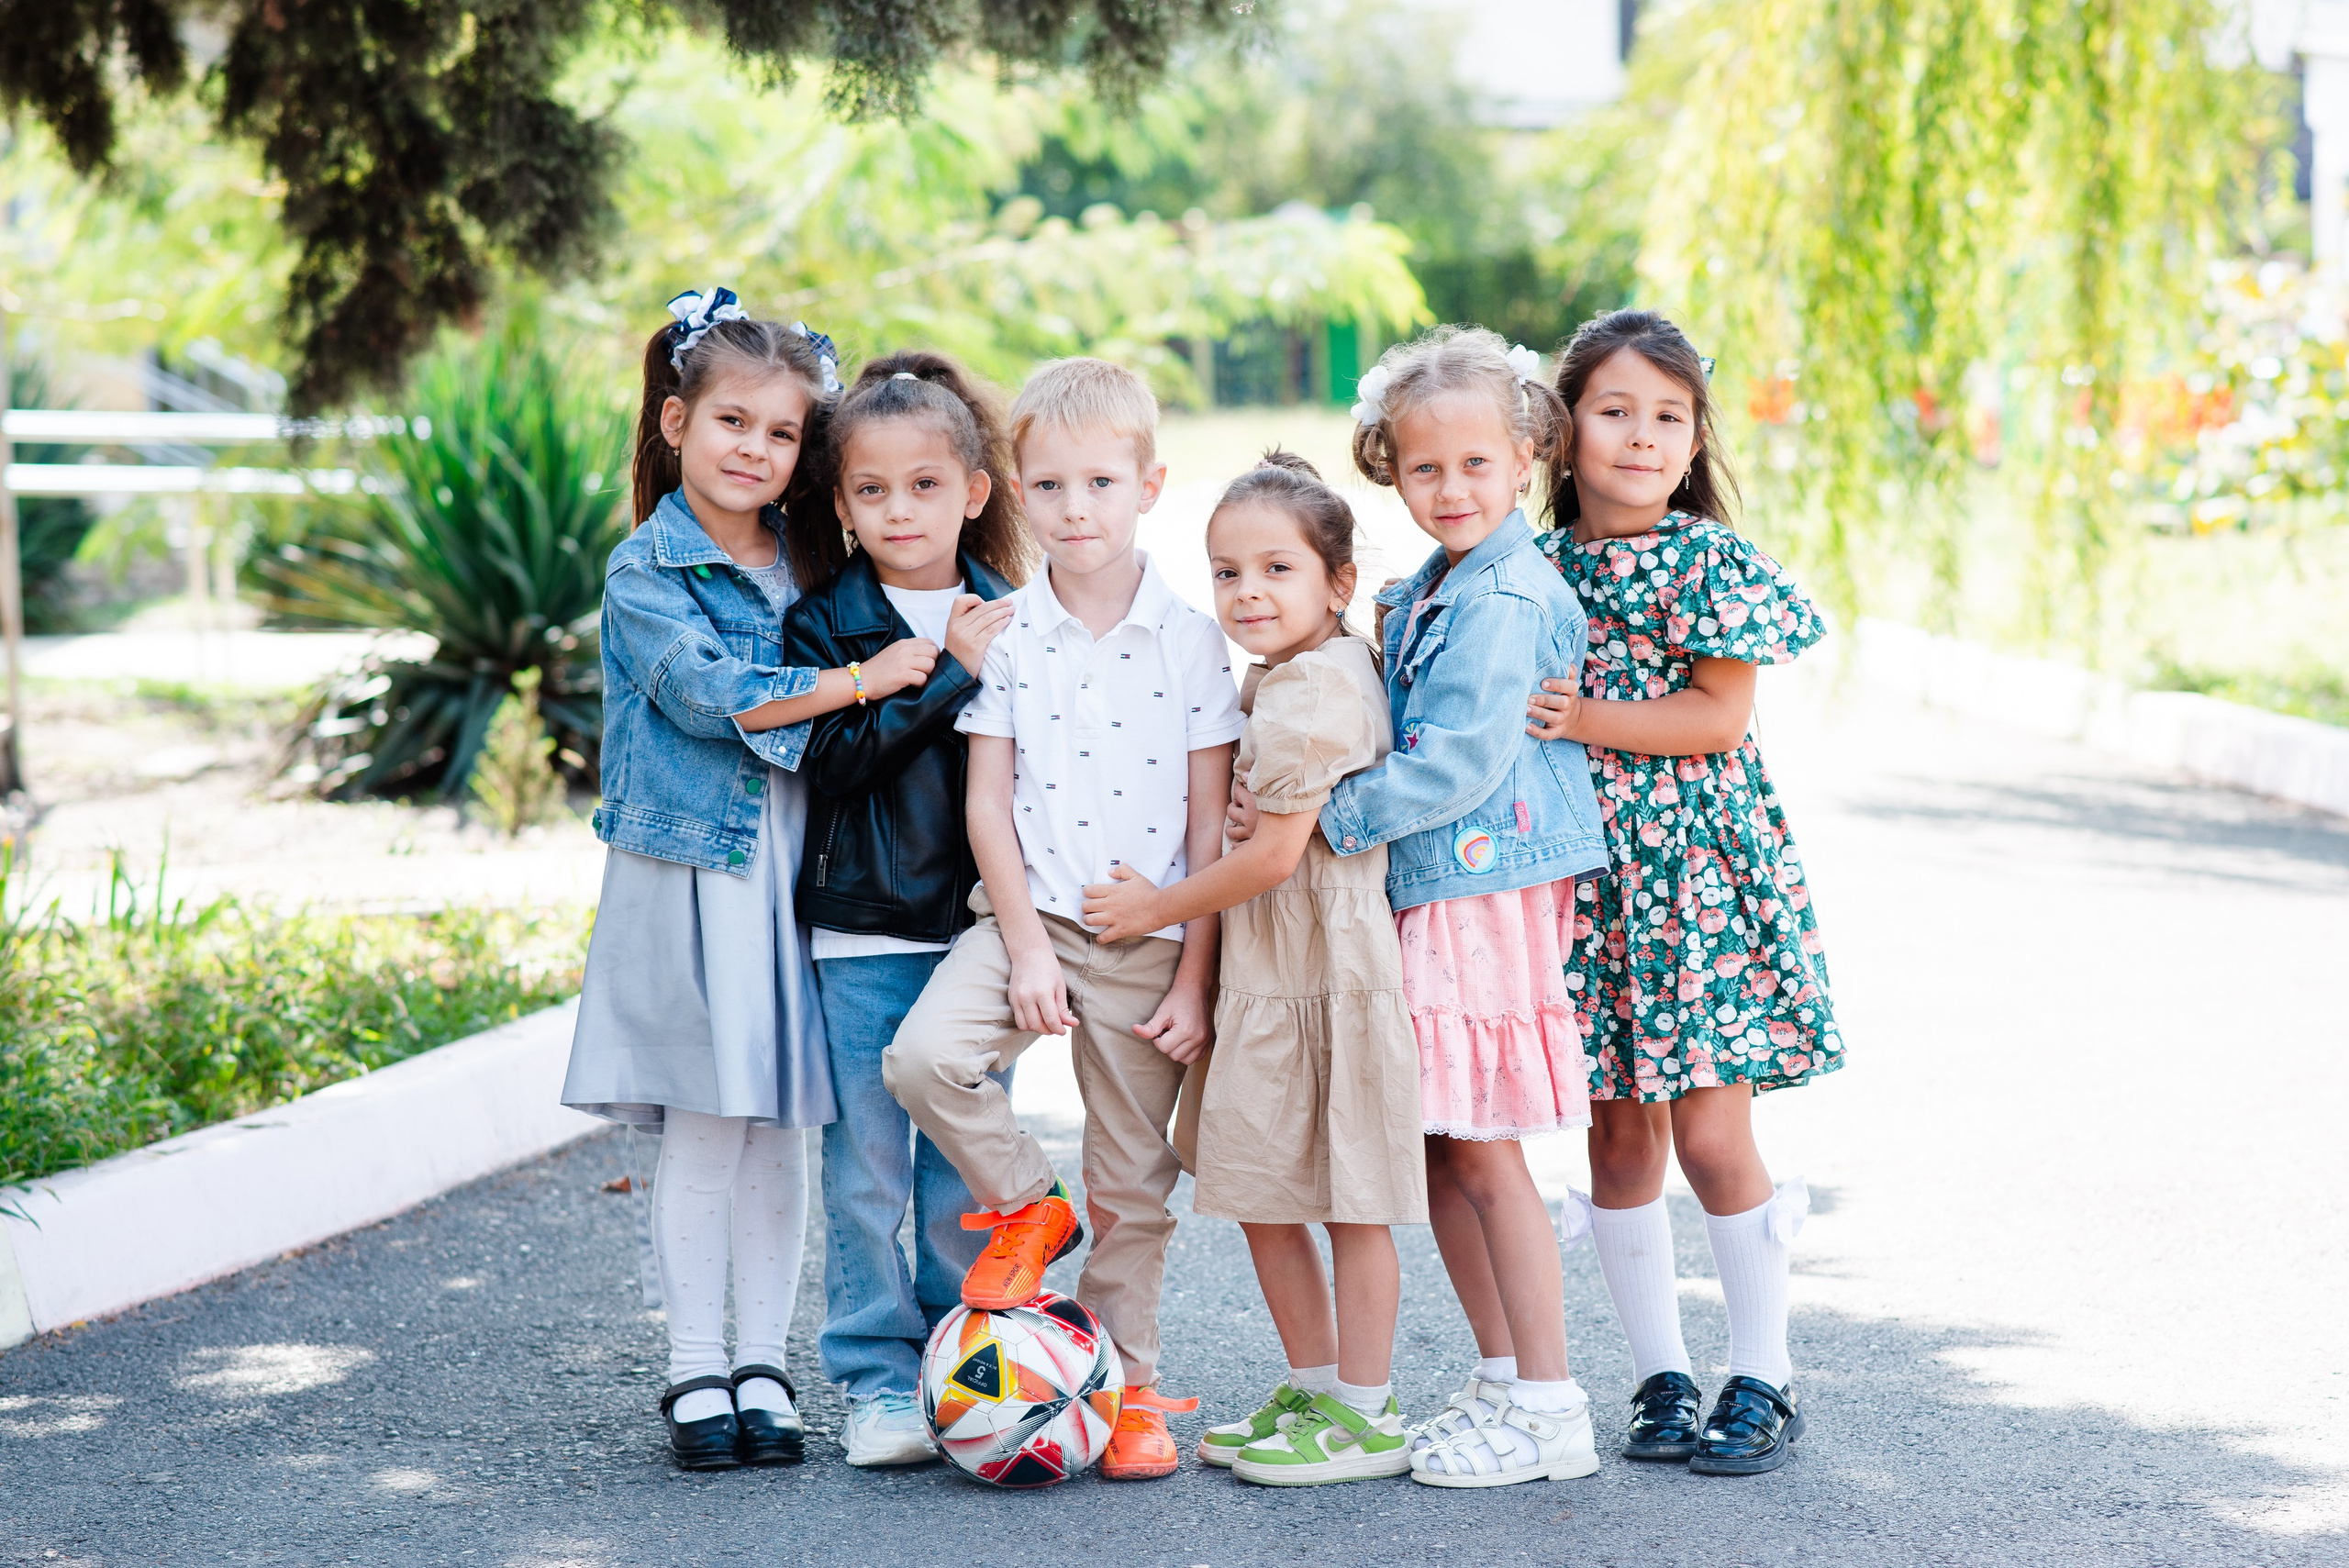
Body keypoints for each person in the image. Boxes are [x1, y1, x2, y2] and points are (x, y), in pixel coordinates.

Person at [560, 289, 936, 1472]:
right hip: (698, 868)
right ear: (675, 421)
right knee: (711, 1122)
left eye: (781, 434)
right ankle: (693, 1364)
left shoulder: (812, 560)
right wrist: (865, 681)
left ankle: (765, 1363)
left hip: (799, 865)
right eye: (731, 422)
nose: (754, 450)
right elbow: (714, 697)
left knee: (784, 1123)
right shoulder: (646, 569)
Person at [880, 356, 1244, 1481]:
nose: (1073, 509)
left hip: (1149, 937)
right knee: (925, 1058)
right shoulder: (1005, 634)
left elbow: (1210, 829)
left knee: (1133, 1183)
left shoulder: (1190, 638)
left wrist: (1191, 979)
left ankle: (1129, 1385)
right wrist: (1028, 947)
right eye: (1049, 487)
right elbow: (986, 804)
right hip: (1024, 914)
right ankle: (1027, 1203)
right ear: (1015, 490)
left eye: (1098, 483)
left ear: (1149, 484)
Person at [1273, 325, 1612, 1488]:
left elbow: (1463, 754)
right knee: (1436, 1145)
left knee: (1483, 1145)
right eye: (1425, 468)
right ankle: (1503, 1370)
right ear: (1390, 468)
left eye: (1476, 463)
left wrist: (1325, 811)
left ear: (1524, 455)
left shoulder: (1507, 595)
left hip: (1481, 882)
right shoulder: (1429, 585)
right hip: (1440, 884)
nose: (1451, 487)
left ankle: (1553, 1401)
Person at [1523, 307, 1840, 1478]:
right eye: (1614, 411)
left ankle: (1763, 1373)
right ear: (1562, 434)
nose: (1643, 436)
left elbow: (1716, 715)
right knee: (1617, 1135)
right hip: (1584, 879)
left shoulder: (1708, 559)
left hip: (1696, 877)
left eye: (1668, 416)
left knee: (1710, 1128)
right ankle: (1659, 1375)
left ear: (1697, 437)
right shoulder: (1533, 567)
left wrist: (1585, 718)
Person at [1081, 452, 1427, 1487]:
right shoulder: (1271, 678)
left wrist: (1150, 908)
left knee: (1350, 1195)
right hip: (1271, 970)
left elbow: (1272, 856)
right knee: (1263, 1189)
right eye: (1226, 573)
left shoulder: (1320, 686)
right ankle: (1314, 1383)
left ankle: (1367, 1409)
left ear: (1338, 582)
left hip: (1328, 968)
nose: (1247, 593)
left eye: (1276, 569)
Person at [780, 351, 1030, 1467]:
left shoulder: (1018, 614)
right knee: (865, 1168)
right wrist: (939, 678)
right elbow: (829, 764)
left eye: (924, 485)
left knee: (955, 1174)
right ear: (839, 504)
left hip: (978, 934)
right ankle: (877, 1378)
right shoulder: (825, 624)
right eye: (871, 490)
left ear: (974, 489)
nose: (899, 510)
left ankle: (957, 1360)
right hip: (867, 930)